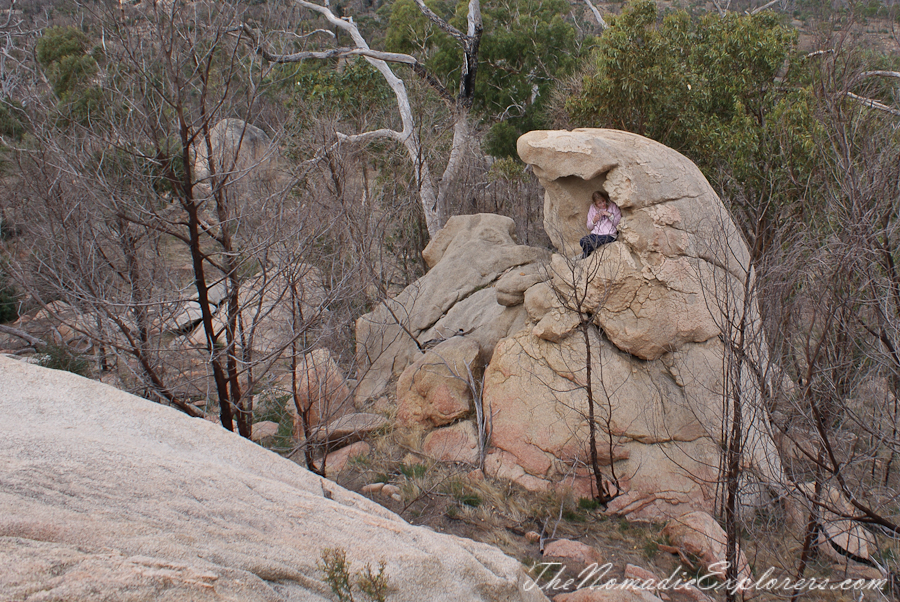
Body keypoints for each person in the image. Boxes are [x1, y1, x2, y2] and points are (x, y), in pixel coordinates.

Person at [580, 190, 621, 259]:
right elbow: (589, 227)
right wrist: (594, 220)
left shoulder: (612, 206)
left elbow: (618, 223)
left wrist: (609, 215)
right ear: (595, 204)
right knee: (582, 241)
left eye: (603, 201)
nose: (602, 204)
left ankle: (585, 254)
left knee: (595, 242)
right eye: (599, 203)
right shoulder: (592, 208)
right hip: (596, 234)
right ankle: (586, 252)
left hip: (609, 235)